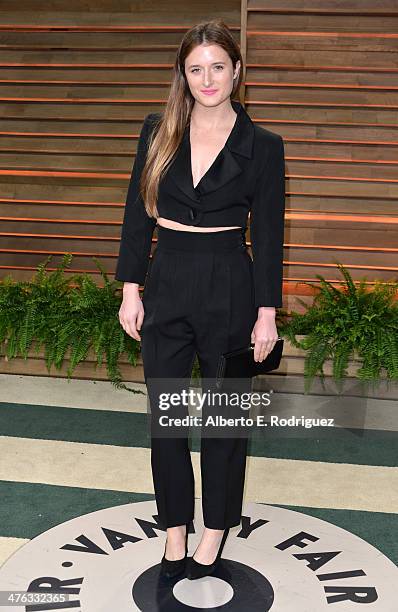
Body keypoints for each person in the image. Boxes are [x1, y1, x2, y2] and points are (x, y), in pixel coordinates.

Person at [115, 19, 285, 580]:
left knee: (224, 418)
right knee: (164, 417)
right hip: (167, 280)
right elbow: (138, 214)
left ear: (236, 72)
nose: (207, 78)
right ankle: (174, 527)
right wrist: (131, 287)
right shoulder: (157, 130)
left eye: (218, 66)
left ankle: (214, 526)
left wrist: (267, 314)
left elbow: (270, 233)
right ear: (183, 76)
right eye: (196, 68)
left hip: (231, 284)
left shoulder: (263, 146)